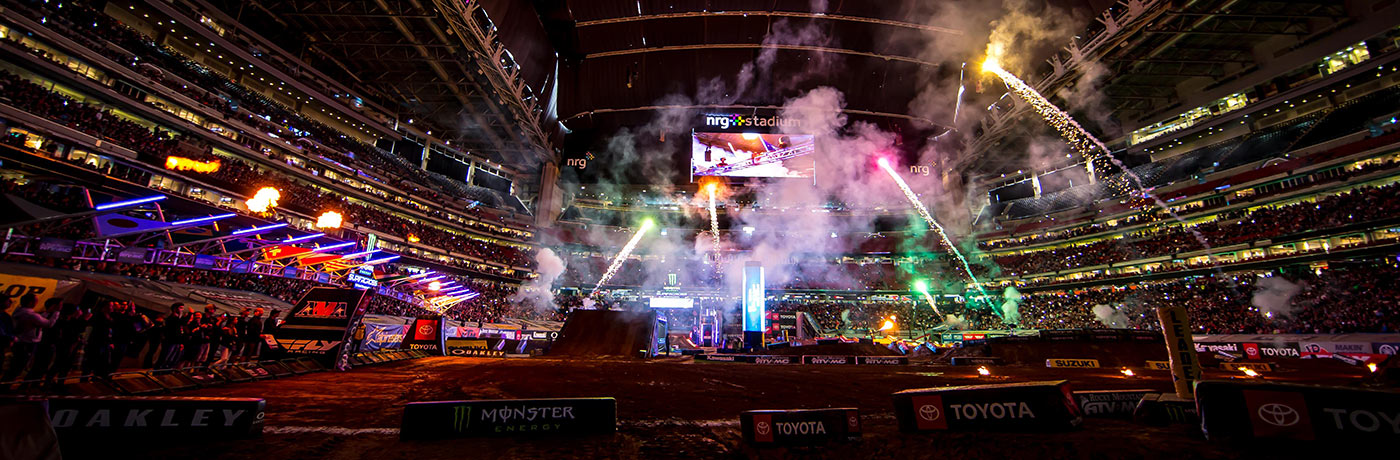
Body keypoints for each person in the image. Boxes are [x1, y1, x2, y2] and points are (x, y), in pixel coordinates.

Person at [2, 294, 58, 381]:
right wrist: (56, 312)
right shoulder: (30, 315)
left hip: (21, 341)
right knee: (17, 367)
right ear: (31, 302)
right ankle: (5, 388)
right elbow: (48, 324)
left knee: (15, 366)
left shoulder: (19, 311)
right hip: (26, 343)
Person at [159, 303, 189, 369]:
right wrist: (188, 316)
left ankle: (165, 371)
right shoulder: (172, 318)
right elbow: (178, 325)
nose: (182, 310)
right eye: (180, 308)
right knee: (165, 358)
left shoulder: (178, 318)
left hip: (177, 342)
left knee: (172, 359)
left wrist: (181, 342)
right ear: (175, 308)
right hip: (170, 341)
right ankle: (159, 371)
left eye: (182, 308)